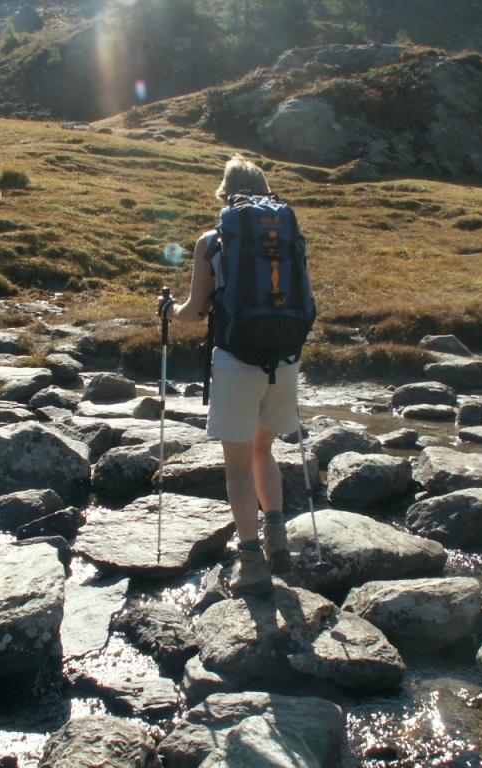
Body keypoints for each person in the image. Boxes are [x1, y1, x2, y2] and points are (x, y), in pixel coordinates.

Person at [158, 155, 300, 598]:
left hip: (237, 362)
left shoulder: (212, 240)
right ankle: (278, 543)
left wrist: (167, 311)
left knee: (237, 467)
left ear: (225, 193)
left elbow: (195, 313)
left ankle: (252, 563)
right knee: (264, 450)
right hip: (284, 360)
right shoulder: (288, 236)